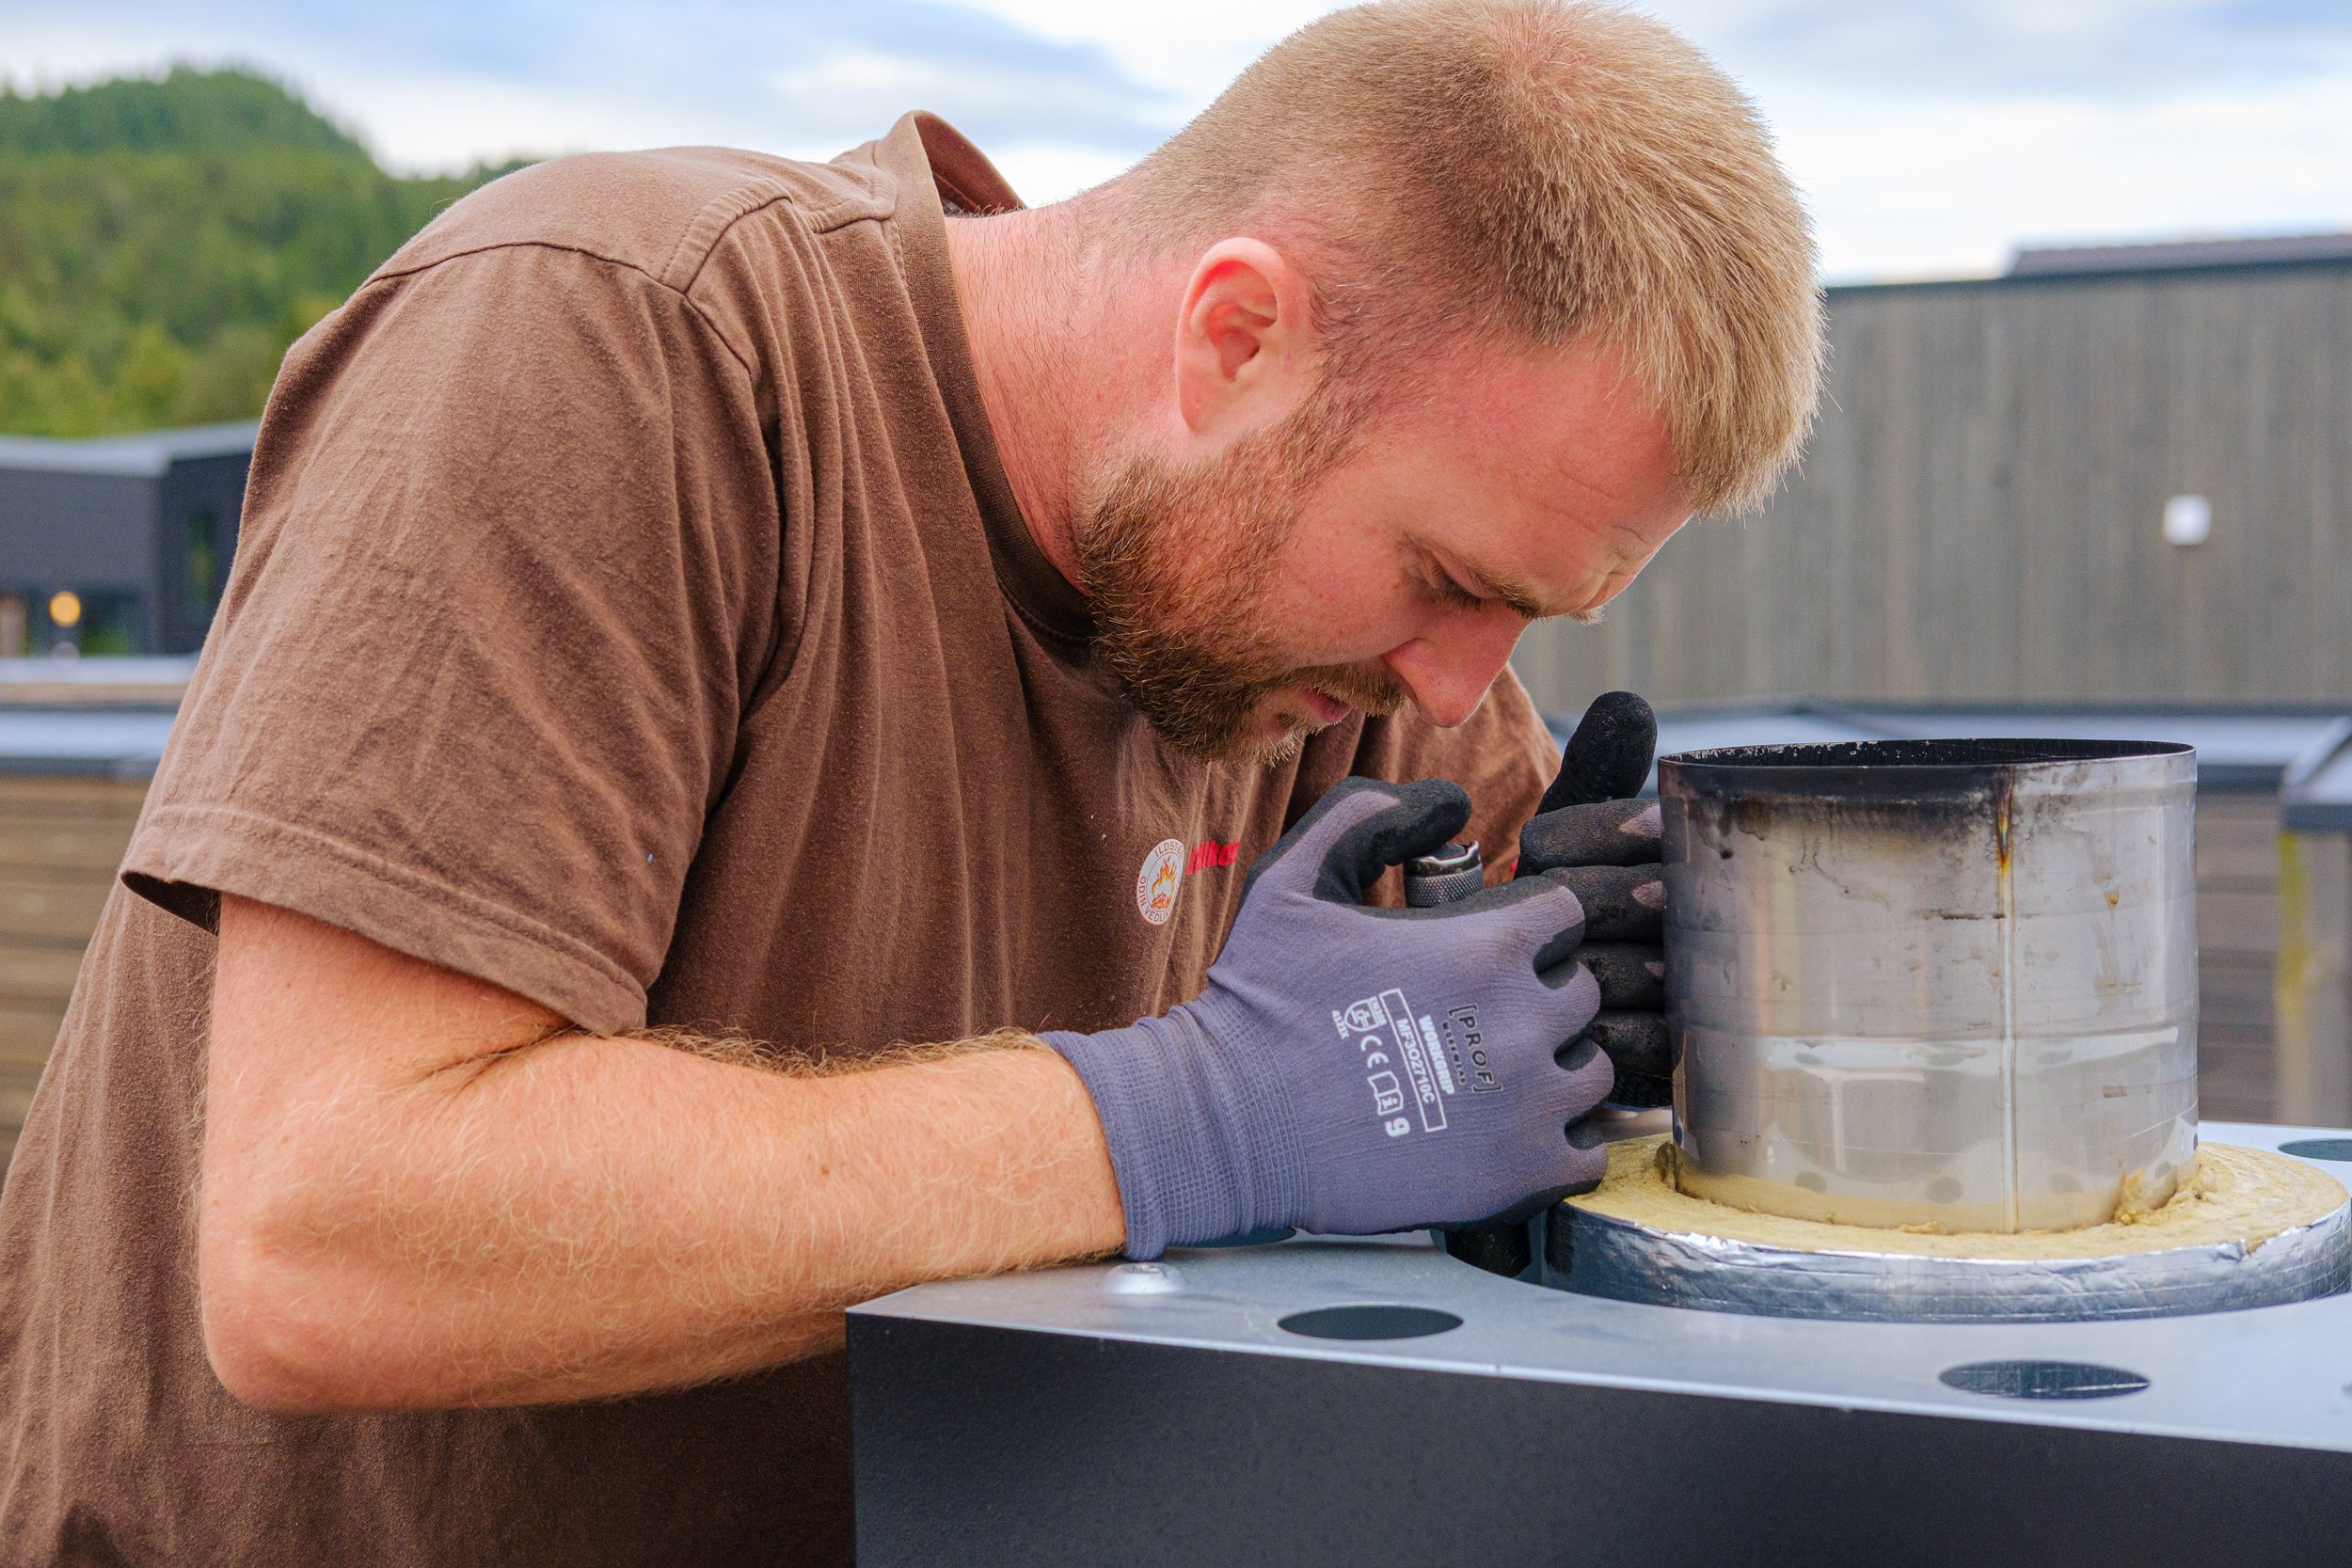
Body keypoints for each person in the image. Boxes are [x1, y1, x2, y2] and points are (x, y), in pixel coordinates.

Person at [0, 2, 1820, 1562]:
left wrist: (1584, 1012)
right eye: (1449, 581)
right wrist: (1196, 1117)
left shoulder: (1332, 639)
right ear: (1239, 340)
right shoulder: (623, 346)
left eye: (1536, 613)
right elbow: (328, 1237)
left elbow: (1457, 1038)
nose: (1461, 688)